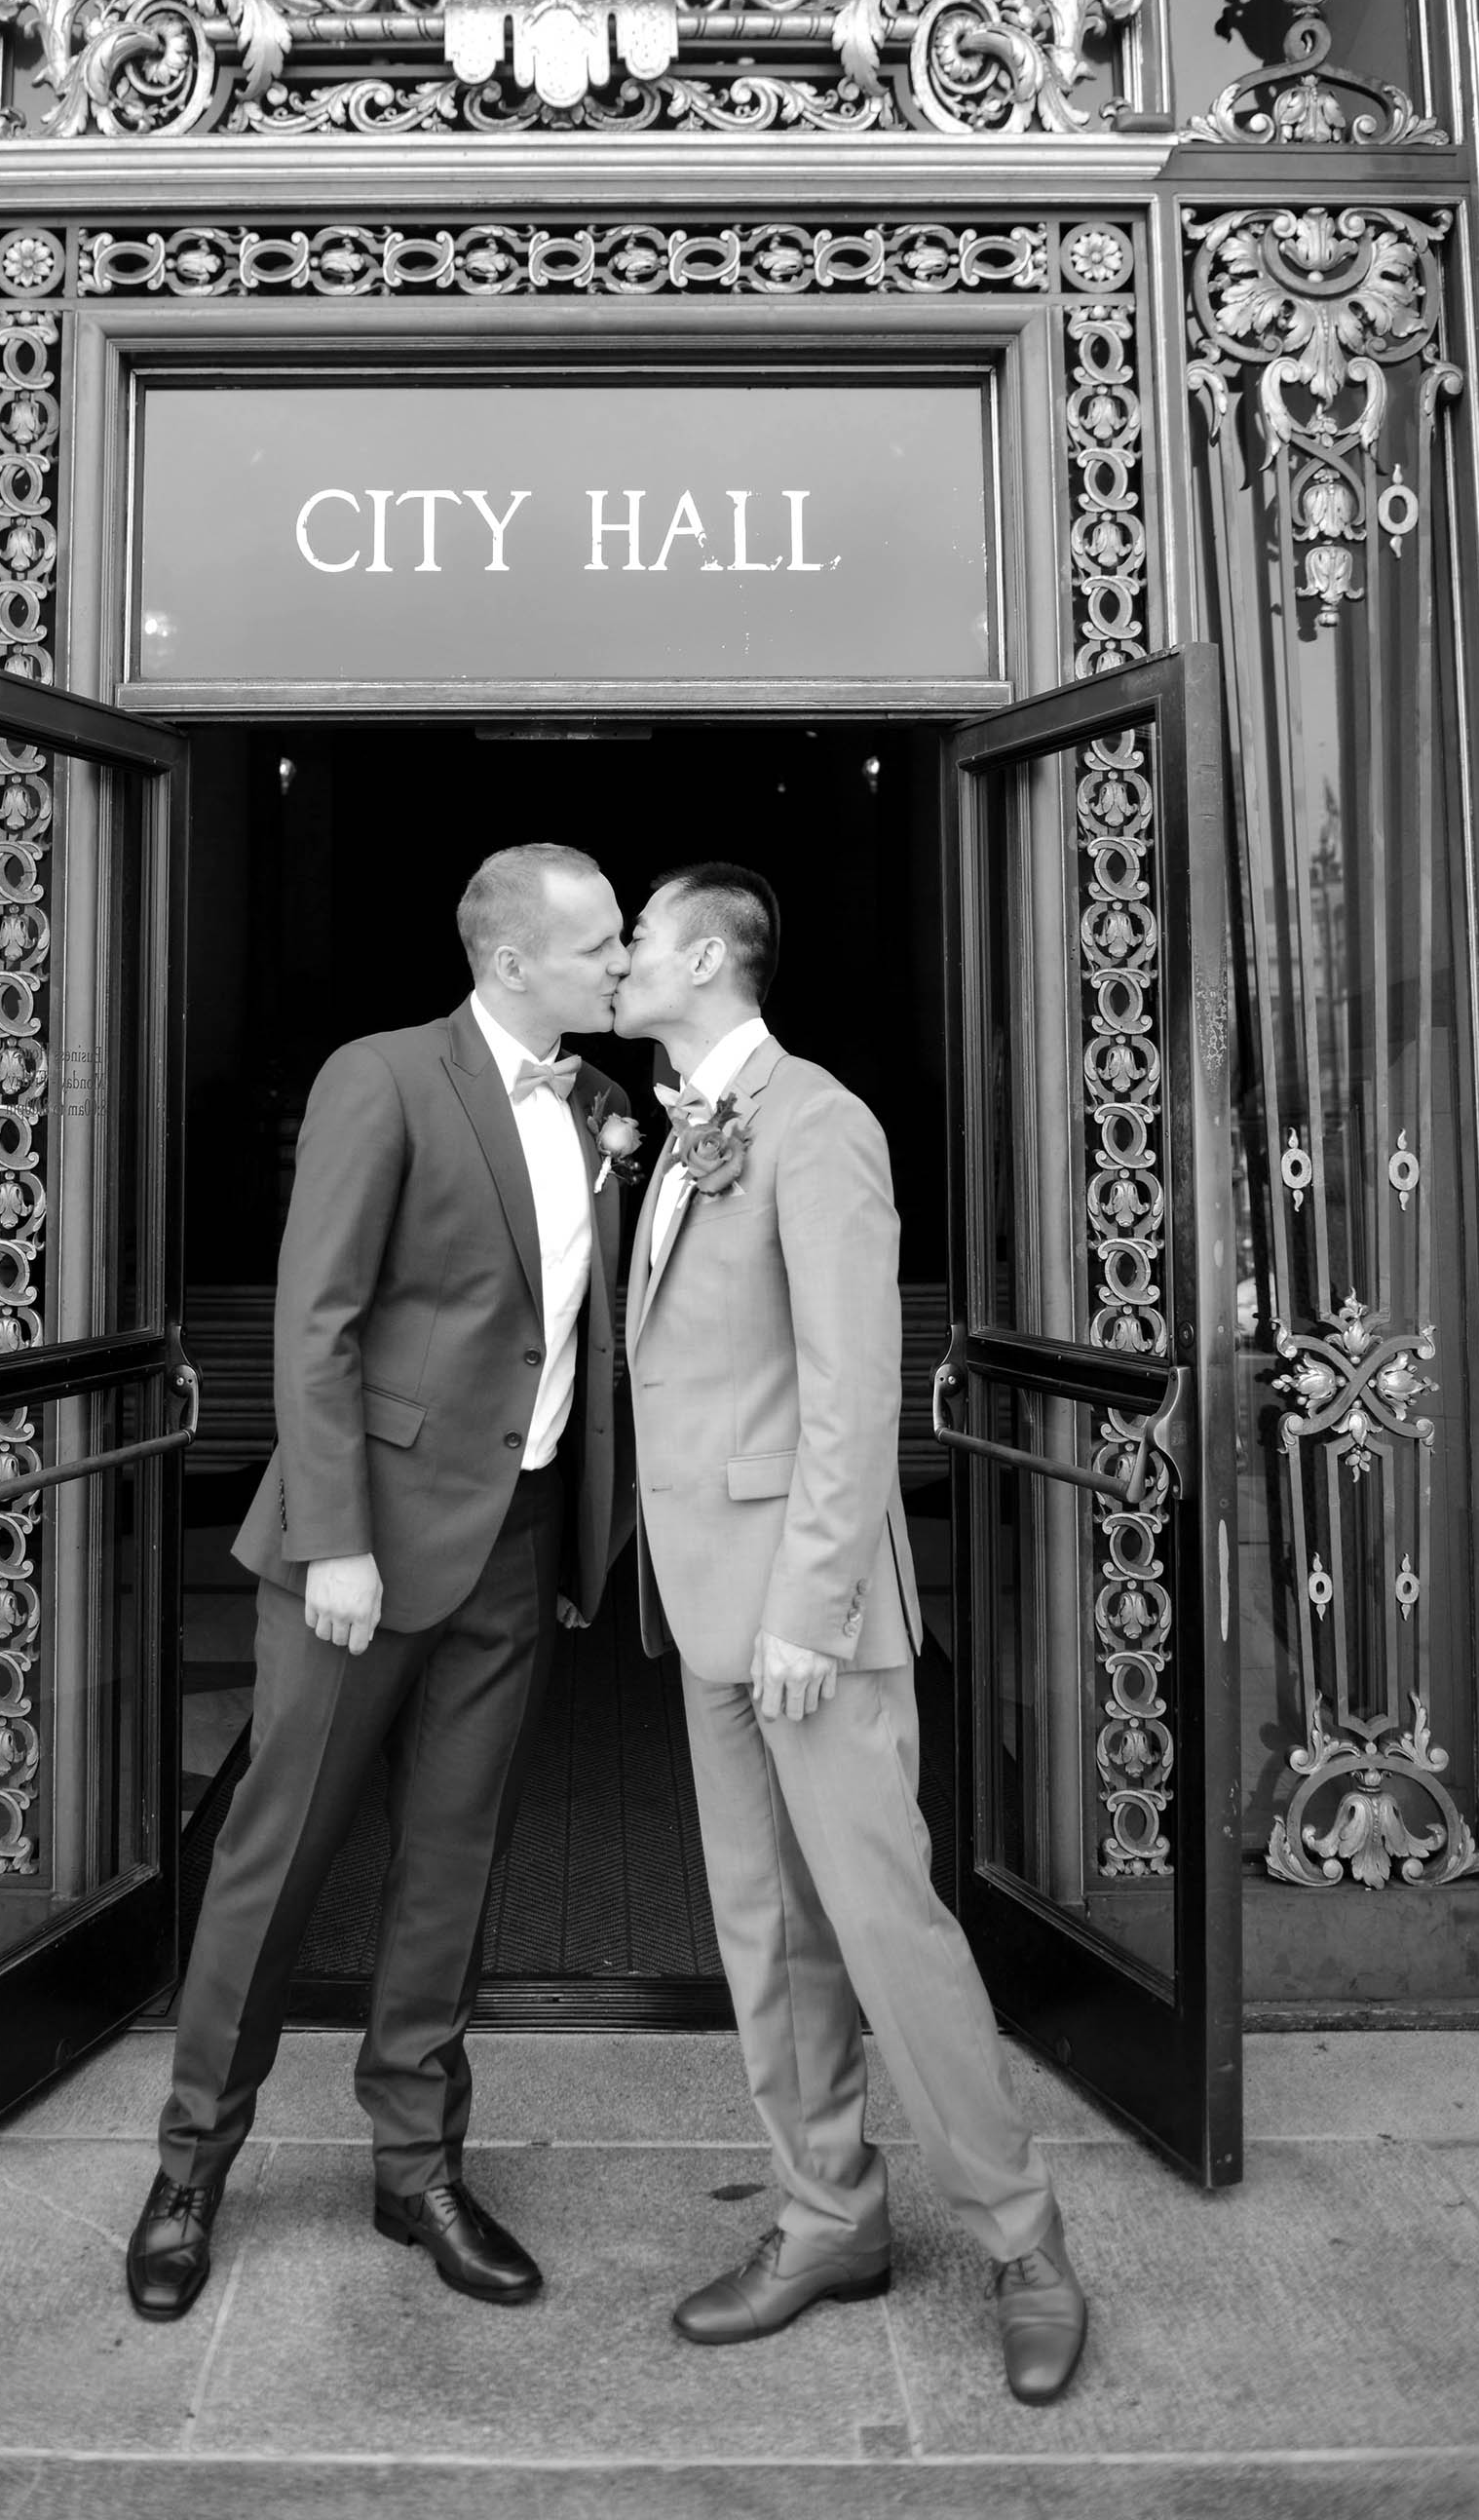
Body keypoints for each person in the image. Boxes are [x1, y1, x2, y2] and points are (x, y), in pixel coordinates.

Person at [125, 841, 633, 2320]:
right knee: (273, 1861)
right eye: (600, 941)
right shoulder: (385, 1076)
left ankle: (417, 2168)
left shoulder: (604, 1106)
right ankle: (188, 2170)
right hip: (367, 1547)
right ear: (511, 959)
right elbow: (319, 1319)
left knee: (453, 1867)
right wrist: (335, 1536)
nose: (622, 959)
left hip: (517, 1543)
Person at [613, 860, 1088, 2404]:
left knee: (886, 1928)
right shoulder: (678, 1126)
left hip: (808, 1612)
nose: (618, 963)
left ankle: (1025, 2238)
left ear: (703, 955)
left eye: (635, 942)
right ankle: (828, 2214)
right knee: (766, 1931)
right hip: (705, 1602)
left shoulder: (815, 1120)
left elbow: (850, 1384)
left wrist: (814, 1601)